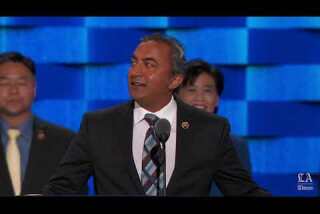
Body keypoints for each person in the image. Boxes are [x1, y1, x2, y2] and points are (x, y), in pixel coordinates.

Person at [42, 33, 270, 196]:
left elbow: (243, 190)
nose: (136, 72)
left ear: (175, 79)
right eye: (134, 63)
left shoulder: (209, 129)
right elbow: (62, 188)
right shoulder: (98, 125)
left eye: (149, 64)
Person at [0, 52, 87, 196]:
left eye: (21, 83)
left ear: (34, 89)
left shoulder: (65, 142)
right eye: (4, 83)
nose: (13, 91)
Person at [176, 59, 251, 196]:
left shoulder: (236, 146)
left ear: (217, 99)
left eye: (207, 91)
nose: (200, 98)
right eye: (191, 90)